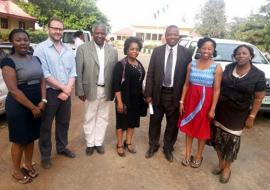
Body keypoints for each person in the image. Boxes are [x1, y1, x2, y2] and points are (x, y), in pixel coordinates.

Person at [210, 44, 266, 183]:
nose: (241, 55)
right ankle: (221, 163)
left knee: (231, 142)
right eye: (238, 53)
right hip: (221, 109)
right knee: (217, 138)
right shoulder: (229, 68)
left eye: (244, 53)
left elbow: (259, 98)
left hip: (239, 113)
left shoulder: (258, 75)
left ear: (250, 56)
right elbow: (218, 87)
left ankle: (227, 168)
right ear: (235, 56)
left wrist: (252, 116)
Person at [0, 29, 46, 183]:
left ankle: (27, 163)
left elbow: (42, 80)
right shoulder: (8, 61)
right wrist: (33, 107)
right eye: (18, 40)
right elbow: (13, 90)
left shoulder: (35, 59)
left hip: (37, 104)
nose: (23, 43)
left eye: (25, 39)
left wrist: (43, 101)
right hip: (19, 105)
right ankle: (16, 170)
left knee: (31, 137)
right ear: (12, 42)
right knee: (19, 139)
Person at [34, 18, 77, 169]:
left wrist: (68, 89)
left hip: (66, 93)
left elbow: (73, 72)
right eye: (55, 28)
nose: (58, 32)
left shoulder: (68, 49)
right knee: (46, 126)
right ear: (48, 29)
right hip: (50, 93)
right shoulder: (41, 48)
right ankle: (45, 156)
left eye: (60, 29)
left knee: (64, 123)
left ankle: (62, 147)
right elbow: (45, 74)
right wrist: (64, 88)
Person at [144, 25, 192, 162]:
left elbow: (188, 78)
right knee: (155, 121)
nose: (172, 37)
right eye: (169, 34)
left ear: (179, 36)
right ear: (165, 35)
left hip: (175, 95)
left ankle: (168, 148)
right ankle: (153, 145)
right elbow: (151, 73)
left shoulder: (186, 53)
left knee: (172, 124)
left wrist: (184, 99)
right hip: (158, 94)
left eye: (175, 34)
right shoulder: (157, 51)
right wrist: (148, 93)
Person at [178, 37, 223, 168]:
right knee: (189, 127)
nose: (206, 51)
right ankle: (187, 154)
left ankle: (198, 155)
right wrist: (181, 101)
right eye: (204, 48)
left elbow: (217, 90)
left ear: (213, 50)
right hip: (191, 99)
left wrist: (213, 109)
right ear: (199, 48)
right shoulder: (191, 64)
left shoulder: (217, 67)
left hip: (206, 101)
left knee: (202, 129)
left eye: (210, 49)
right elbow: (186, 84)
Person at [75, 23, 118, 156]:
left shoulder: (113, 51)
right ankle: (90, 143)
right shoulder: (83, 48)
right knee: (89, 117)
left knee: (103, 117)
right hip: (90, 89)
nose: (100, 35)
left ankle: (98, 142)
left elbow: (115, 73)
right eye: (97, 33)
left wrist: (114, 91)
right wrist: (80, 90)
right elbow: (78, 71)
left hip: (106, 90)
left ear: (106, 34)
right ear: (93, 33)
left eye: (102, 33)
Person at [112, 37, 145, 157]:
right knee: (121, 123)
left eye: (137, 49)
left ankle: (129, 142)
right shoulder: (121, 65)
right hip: (124, 100)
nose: (134, 51)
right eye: (132, 49)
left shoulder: (139, 64)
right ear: (127, 50)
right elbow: (116, 86)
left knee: (132, 123)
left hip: (136, 100)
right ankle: (120, 144)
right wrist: (119, 102)